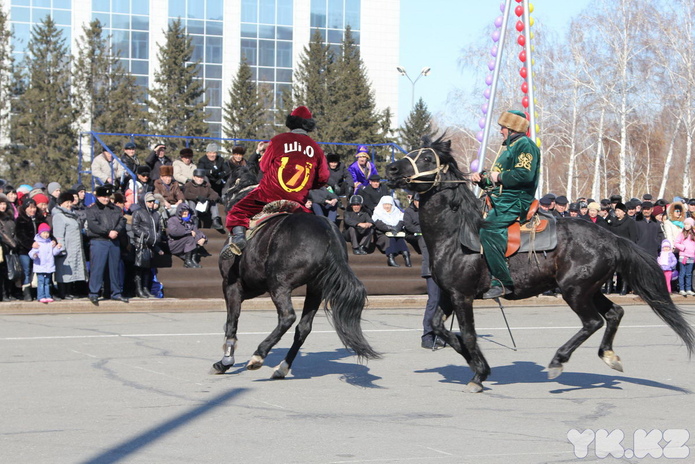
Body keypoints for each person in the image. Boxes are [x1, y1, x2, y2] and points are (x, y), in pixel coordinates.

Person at [223, 106, 329, 256]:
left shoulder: (278, 140)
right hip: (298, 202)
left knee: (237, 211)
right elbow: (323, 178)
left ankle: (239, 238)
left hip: (268, 196)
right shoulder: (316, 148)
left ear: (291, 122)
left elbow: (264, 166)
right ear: (309, 125)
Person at [469, 110, 540, 299]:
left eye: (503, 127)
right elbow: (496, 181)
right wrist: (481, 179)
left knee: (488, 230)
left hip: (516, 200)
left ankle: (501, 282)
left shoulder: (525, 145)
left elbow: (524, 175)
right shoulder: (508, 148)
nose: (500, 131)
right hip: (501, 199)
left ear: (512, 128)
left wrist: (497, 176)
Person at [85, 185, 128, 305]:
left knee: (114, 269)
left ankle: (116, 292)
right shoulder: (91, 210)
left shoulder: (115, 209)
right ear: (98, 197)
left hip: (113, 241)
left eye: (108, 196)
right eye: (103, 196)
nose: (106, 199)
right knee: (97, 268)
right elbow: (94, 225)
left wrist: (116, 231)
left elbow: (122, 221)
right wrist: (107, 232)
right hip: (99, 241)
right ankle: (94, 293)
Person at [52, 191, 87, 300]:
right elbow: (58, 234)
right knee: (64, 271)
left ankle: (69, 291)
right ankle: (63, 292)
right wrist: (61, 248)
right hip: (65, 248)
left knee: (72, 270)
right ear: (61, 203)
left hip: (74, 247)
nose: (68, 204)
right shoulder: (59, 216)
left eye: (70, 202)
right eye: (66, 202)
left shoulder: (72, 215)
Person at [131, 192, 165, 298]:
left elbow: (159, 228)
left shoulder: (156, 214)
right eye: (149, 201)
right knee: (139, 268)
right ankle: (138, 289)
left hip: (151, 245)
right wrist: (146, 235)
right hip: (141, 244)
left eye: (152, 201)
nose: (151, 203)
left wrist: (156, 237)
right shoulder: (138, 212)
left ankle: (146, 288)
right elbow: (135, 227)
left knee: (147, 269)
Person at [15, 198, 47, 301]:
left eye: (33, 207)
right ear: (25, 209)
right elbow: (20, 236)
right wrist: (30, 244)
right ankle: (26, 292)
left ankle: (37, 291)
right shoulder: (20, 220)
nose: (32, 210)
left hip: (39, 250)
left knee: (37, 270)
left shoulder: (40, 219)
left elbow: (47, 231)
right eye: (29, 208)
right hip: (25, 250)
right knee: (26, 270)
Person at [28, 223, 63, 303]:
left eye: (47, 233)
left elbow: (53, 253)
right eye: (44, 233)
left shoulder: (50, 243)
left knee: (47, 282)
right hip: (40, 266)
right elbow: (31, 253)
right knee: (41, 282)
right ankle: (40, 296)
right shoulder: (37, 243)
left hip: (49, 266)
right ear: (40, 233)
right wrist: (34, 255)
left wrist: (58, 248)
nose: (46, 235)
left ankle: (48, 295)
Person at [372, 196, 411, 267]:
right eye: (385, 204)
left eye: (389, 204)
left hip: (396, 232)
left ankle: (406, 256)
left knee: (400, 239)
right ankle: (391, 258)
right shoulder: (377, 212)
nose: (387, 206)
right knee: (391, 238)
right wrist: (390, 228)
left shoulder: (396, 211)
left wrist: (397, 228)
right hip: (382, 234)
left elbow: (401, 221)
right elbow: (379, 224)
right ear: (382, 204)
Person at [167, 203, 208, 268]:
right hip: (174, 244)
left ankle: (192, 259)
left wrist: (203, 238)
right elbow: (173, 232)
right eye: (183, 211)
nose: (185, 212)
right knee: (190, 237)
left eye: (187, 211)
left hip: (186, 243)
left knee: (196, 237)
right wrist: (188, 232)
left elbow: (197, 231)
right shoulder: (173, 220)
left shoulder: (190, 221)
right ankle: (187, 261)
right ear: (179, 211)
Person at [0, 194, 18, 300]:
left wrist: (15, 241)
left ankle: (9, 292)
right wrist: (12, 243)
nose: (3, 206)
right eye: (1, 204)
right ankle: (3, 294)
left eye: (4, 204)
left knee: (11, 271)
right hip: (3, 247)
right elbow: (2, 233)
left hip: (11, 248)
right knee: (3, 273)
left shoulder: (9, 217)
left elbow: (14, 231)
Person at [674, 217, 695, 296]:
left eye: (688, 224)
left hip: (691, 256)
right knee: (682, 273)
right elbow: (676, 243)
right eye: (685, 224)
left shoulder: (693, 234)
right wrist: (683, 247)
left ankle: (688, 288)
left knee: (689, 273)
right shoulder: (682, 234)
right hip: (683, 256)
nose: (686, 226)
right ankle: (682, 289)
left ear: (691, 225)